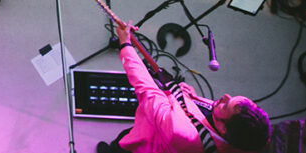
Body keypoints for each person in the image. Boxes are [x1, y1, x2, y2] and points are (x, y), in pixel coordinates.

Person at [99, 18, 271, 153]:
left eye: (226, 105)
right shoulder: (247, 140)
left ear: (224, 128)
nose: (225, 96)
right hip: (164, 130)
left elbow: (147, 90)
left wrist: (126, 45)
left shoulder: (180, 132)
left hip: (149, 141)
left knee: (124, 144)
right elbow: (204, 115)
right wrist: (191, 98)